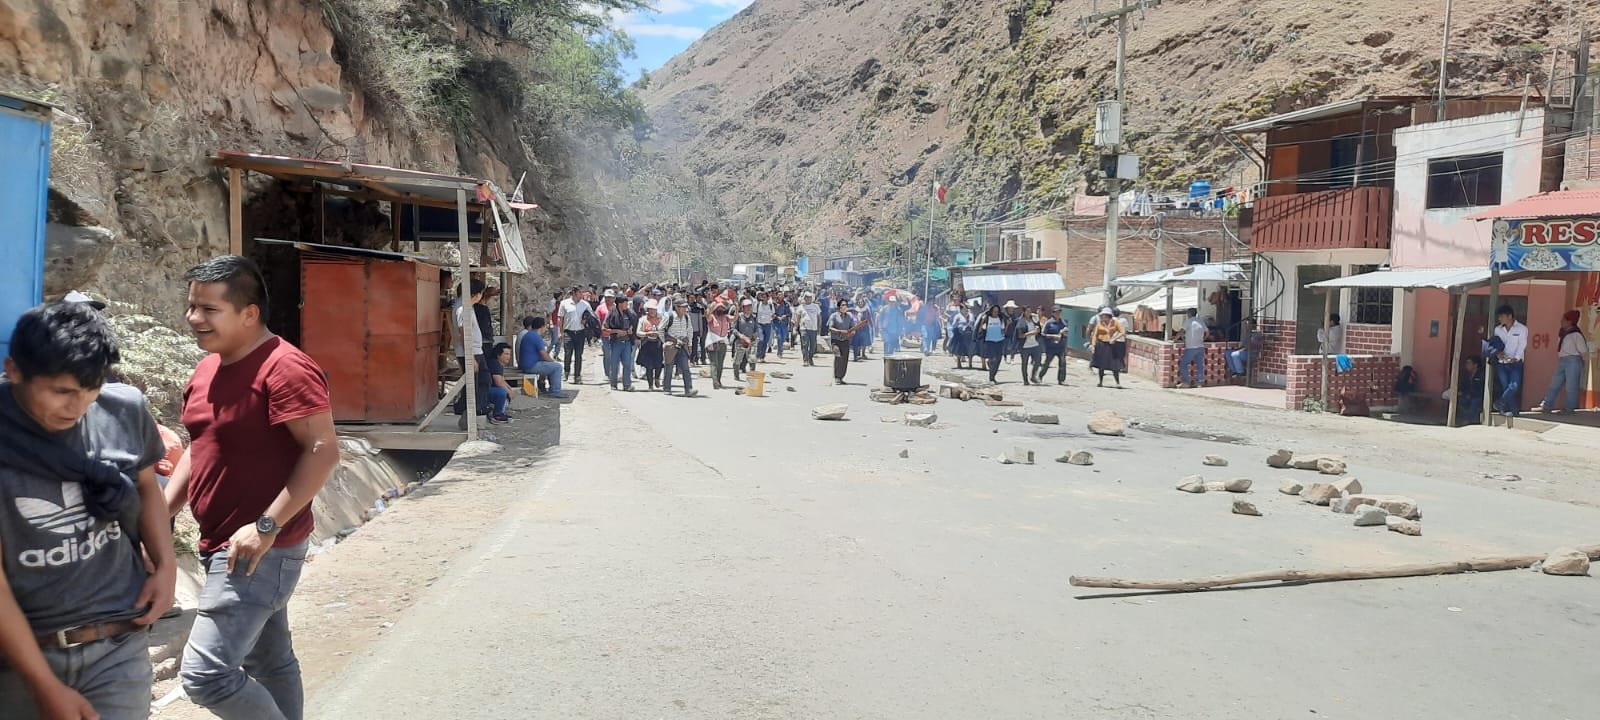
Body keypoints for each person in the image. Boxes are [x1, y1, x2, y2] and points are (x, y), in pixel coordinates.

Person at [165, 255, 338, 720]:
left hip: (260, 547)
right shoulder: (207, 369)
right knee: (269, 660)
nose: (194, 319)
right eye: (192, 306)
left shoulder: (284, 368)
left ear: (249, 313)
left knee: (206, 675)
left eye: (209, 309)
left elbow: (322, 450)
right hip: (221, 541)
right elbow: (201, 446)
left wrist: (265, 525)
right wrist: (161, 512)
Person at [0, 302, 176, 720]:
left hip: (118, 647)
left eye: (90, 389)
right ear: (14, 370)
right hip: (19, 662)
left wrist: (166, 565)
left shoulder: (124, 409)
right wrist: (44, 687)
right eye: (61, 391)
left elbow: (147, 484)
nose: (77, 406)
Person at [1533, 310, 1589, 415]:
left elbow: (1583, 351)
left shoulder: (1576, 334)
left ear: (1570, 322)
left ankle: (1569, 408)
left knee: (1571, 386)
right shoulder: (1562, 332)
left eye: (1564, 320)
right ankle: (1546, 406)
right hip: (1562, 360)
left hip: (1573, 360)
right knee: (1555, 383)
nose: (1561, 321)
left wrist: (1584, 364)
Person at [452, 280, 490, 425]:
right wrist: (471, 357)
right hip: (471, 352)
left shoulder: (467, 307)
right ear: (476, 294)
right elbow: (464, 334)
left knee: (477, 382)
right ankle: (475, 411)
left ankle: (465, 409)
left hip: (474, 350)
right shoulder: (463, 309)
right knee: (479, 382)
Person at [1490, 304, 1529, 416]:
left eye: (1502, 316)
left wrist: (1515, 358)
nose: (1499, 319)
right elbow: (1495, 344)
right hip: (1502, 363)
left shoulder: (1522, 329)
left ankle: (1500, 403)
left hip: (1515, 363)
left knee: (1514, 386)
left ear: (1510, 316)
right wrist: (1498, 353)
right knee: (1506, 387)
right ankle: (1514, 412)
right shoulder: (1497, 330)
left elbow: (1522, 345)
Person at [660, 298, 698, 398]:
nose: (685, 309)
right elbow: (660, 329)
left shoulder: (686, 317)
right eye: (683, 307)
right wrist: (666, 342)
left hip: (683, 345)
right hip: (671, 344)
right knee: (669, 367)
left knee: (685, 368)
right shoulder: (669, 316)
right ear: (676, 307)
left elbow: (690, 330)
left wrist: (689, 344)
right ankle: (667, 388)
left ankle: (688, 389)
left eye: (685, 307)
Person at [519, 317, 565, 399]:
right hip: (531, 366)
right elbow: (544, 354)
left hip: (526, 364)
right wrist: (552, 361)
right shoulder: (536, 337)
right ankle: (555, 391)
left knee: (551, 366)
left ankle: (549, 388)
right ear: (542, 327)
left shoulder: (529, 335)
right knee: (557, 367)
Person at [603, 292, 638, 392]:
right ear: (619, 303)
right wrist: (616, 331)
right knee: (614, 364)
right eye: (625, 303)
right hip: (616, 342)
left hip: (627, 342)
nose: (627, 305)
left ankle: (627, 384)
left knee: (627, 363)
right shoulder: (612, 314)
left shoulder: (629, 313)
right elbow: (604, 328)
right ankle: (613, 384)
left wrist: (631, 331)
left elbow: (633, 323)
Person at [558, 288, 593, 384]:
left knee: (578, 355)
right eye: (578, 293)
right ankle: (566, 372)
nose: (581, 295)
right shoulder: (564, 303)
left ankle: (577, 376)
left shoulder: (585, 304)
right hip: (568, 332)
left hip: (580, 332)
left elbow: (592, 316)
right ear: (573, 293)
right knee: (568, 353)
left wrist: (586, 320)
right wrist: (559, 332)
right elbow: (560, 319)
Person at [1089, 307, 1126, 388]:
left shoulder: (1115, 323)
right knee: (1101, 364)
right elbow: (1095, 335)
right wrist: (1093, 345)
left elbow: (1122, 332)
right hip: (1101, 344)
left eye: (1104, 315)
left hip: (1111, 345)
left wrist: (1114, 338)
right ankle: (1100, 381)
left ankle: (1117, 382)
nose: (1103, 317)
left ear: (1108, 315)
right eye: (1102, 315)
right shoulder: (1100, 323)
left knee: (1114, 365)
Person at [828, 298, 862, 384]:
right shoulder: (834, 316)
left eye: (846, 305)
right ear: (839, 307)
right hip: (836, 340)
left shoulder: (849, 316)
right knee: (838, 356)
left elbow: (852, 328)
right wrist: (840, 331)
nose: (845, 307)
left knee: (844, 359)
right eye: (843, 305)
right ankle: (836, 377)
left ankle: (841, 377)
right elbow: (830, 328)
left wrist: (852, 332)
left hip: (845, 340)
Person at [1036, 306, 1068, 385]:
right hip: (1051, 347)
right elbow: (1043, 334)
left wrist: (1064, 332)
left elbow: (1066, 333)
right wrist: (1053, 336)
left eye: (1059, 312)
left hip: (1060, 347)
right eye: (1056, 312)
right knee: (1047, 363)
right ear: (1053, 313)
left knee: (1062, 363)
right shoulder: (1049, 323)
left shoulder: (1063, 322)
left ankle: (1061, 380)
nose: (1058, 314)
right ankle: (1040, 376)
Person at [636, 301, 664, 391]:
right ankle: (650, 385)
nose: (652, 312)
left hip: (658, 344)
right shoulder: (643, 319)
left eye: (654, 310)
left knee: (659, 364)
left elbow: (665, 330)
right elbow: (638, 332)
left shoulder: (661, 319)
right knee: (649, 366)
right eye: (650, 310)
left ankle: (657, 378)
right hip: (647, 344)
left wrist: (658, 334)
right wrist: (647, 334)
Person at [484, 343, 515, 424]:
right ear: (498, 354)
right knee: (502, 392)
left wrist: (509, 388)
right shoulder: (494, 364)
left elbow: (501, 380)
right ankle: (497, 416)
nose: (508, 356)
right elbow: (498, 382)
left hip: (488, 390)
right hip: (484, 391)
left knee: (505, 392)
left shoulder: (498, 364)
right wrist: (508, 391)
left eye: (509, 354)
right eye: (506, 354)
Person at [977, 305, 1007, 384]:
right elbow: (980, 330)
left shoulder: (1000, 319)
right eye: (994, 311)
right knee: (993, 359)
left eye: (997, 311)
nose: (996, 313)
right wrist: (982, 322)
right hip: (989, 341)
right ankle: (991, 378)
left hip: (999, 340)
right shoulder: (987, 319)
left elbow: (1003, 330)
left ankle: (993, 375)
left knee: (998, 359)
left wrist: (1008, 325)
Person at [706, 303, 733, 389]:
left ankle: (718, 380)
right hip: (712, 343)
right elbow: (707, 316)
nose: (720, 309)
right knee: (714, 363)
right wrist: (710, 307)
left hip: (722, 343)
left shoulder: (726, 317)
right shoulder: (712, 317)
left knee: (720, 364)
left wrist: (737, 308)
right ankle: (715, 381)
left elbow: (734, 318)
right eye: (718, 308)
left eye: (722, 308)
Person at [732, 300, 760, 382]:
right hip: (741, 341)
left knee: (752, 358)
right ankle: (736, 375)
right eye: (747, 306)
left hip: (751, 341)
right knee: (738, 359)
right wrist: (741, 336)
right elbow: (733, 329)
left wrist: (755, 333)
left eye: (750, 306)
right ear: (743, 308)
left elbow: (756, 327)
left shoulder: (754, 317)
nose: (749, 308)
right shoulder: (738, 317)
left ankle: (752, 375)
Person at [1180, 308, 1207, 388]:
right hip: (1200, 347)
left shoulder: (1188, 321)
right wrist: (1204, 339)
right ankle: (1200, 382)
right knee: (1199, 365)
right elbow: (1208, 332)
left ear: (1189, 314)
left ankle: (1185, 382)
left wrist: (1175, 338)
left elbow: (1181, 331)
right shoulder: (1201, 321)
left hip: (1191, 347)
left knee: (1183, 363)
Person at [1017, 307, 1043, 385]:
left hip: (1035, 344)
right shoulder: (1021, 322)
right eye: (1027, 311)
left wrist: (1038, 330)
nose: (1029, 313)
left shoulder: (1034, 319)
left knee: (1038, 361)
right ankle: (1025, 379)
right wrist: (1031, 333)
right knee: (1024, 363)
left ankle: (1033, 376)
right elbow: (1020, 335)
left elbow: (1038, 329)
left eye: (1030, 311)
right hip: (1025, 346)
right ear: (1024, 312)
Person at [797, 293, 822, 366]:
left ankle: (810, 358)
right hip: (804, 328)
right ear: (804, 298)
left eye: (810, 297)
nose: (808, 299)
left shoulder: (816, 306)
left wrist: (819, 327)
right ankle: (805, 360)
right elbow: (798, 317)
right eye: (807, 297)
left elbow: (819, 317)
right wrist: (797, 327)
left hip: (813, 328)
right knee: (805, 344)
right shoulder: (801, 307)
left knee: (813, 345)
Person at [950, 305, 977, 369]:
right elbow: (953, 325)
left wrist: (972, 328)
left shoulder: (971, 315)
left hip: (969, 333)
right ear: (961, 310)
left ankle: (970, 364)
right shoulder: (958, 316)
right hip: (960, 334)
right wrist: (957, 321)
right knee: (959, 349)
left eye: (966, 309)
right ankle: (959, 363)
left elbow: (974, 324)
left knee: (970, 348)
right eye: (964, 309)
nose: (965, 310)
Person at [755, 291, 776, 361]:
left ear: (767, 298)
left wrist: (773, 317)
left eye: (764, 297)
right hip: (760, 324)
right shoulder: (758, 304)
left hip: (768, 324)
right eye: (762, 297)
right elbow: (754, 314)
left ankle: (762, 356)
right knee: (761, 339)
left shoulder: (770, 305)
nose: (763, 298)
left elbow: (773, 314)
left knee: (765, 341)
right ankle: (758, 354)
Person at [773, 295, 792, 360]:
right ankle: (779, 351)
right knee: (779, 337)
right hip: (776, 322)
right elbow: (772, 313)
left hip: (784, 323)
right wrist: (777, 317)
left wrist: (785, 315)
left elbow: (789, 313)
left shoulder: (786, 304)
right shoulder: (774, 304)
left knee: (783, 337)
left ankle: (780, 348)